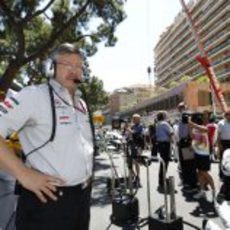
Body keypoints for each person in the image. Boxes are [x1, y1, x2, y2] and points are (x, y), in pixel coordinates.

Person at [0, 43, 94, 230]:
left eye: (78, 66)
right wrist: (23, 174)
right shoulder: (33, 96)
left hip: (82, 200)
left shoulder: (81, 104)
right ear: (52, 67)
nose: (73, 70)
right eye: (66, 64)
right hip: (47, 204)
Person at [188, 113, 215, 200]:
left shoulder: (203, 127)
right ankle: (202, 191)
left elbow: (206, 130)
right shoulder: (195, 129)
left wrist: (192, 124)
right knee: (199, 173)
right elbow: (192, 136)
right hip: (197, 154)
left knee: (204, 173)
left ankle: (214, 191)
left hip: (204, 155)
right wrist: (189, 126)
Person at [202, 148, 230, 230]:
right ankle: (209, 225)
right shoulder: (228, 153)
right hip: (224, 201)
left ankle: (208, 225)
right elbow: (227, 170)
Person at [155, 111, 174, 193]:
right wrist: (173, 143)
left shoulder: (158, 124)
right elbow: (171, 133)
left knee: (163, 162)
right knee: (165, 162)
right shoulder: (164, 123)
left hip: (160, 144)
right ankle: (162, 180)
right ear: (163, 116)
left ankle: (161, 179)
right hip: (165, 144)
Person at [217, 110, 230, 179]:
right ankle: (222, 175)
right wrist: (219, 146)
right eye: (228, 115)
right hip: (224, 143)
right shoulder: (221, 123)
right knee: (223, 159)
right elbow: (218, 135)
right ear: (225, 115)